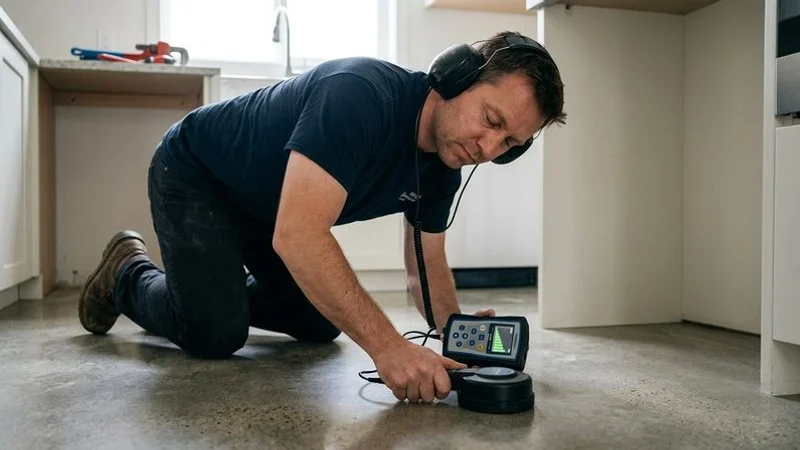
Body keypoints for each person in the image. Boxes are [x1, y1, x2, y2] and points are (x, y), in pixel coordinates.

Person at [78, 30, 566, 404]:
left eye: (509, 144)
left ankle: (211, 291)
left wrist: (453, 331)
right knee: (214, 334)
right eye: (492, 120)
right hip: (200, 173)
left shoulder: (445, 165)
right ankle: (126, 272)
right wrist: (389, 347)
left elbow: (425, 264)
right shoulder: (359, 95)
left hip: (271, 211)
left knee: (318, 323)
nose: (488, 148)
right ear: (457, 76)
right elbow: (299, 235)